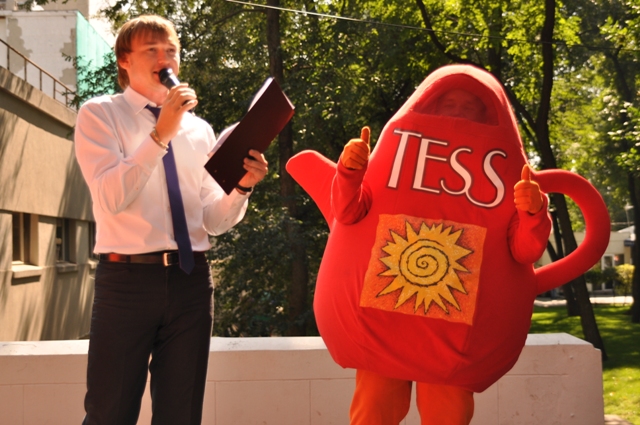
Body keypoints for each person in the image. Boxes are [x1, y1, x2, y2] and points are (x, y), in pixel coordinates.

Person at [74, 15, 268, 425]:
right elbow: (110, 198)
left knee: (181, 415)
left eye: (171, 51)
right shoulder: (99, 115)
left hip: (191, 282)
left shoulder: (199, 130)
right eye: (152, 50)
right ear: (125, 60)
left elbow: (212, 220)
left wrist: (242, 188)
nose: (165, 59)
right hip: (126, 282)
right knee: (109, 413)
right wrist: (160, 134)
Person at [339, 87, 547, 424]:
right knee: (373, 411)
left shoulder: (504, 171)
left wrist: (533, 213)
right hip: (387, 313)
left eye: (469, 107)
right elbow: (349, 211)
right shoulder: (398, 154)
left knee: (446, 416)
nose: (458, 113)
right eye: (450, 104)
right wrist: (349, 172)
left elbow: (526, 251)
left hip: (453, 321)